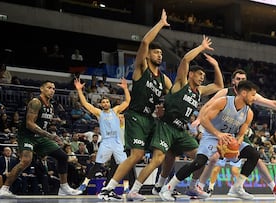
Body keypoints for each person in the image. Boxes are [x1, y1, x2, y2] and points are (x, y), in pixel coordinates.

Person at [126, 35, 223, 201]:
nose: (202, 77)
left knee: (201, 157)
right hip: (166, 126)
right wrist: (201, 47)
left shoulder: (199, 92)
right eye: (199, 74)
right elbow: (185, 59)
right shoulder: (181, 83)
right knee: (158, 159)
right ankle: (134, 190)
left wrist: (216, 65)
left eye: (203, 75)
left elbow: (219, 86)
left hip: (180, 130)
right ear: (191, 74)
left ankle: (192, 187)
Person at [189, 69, 276, 199]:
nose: (240, 81)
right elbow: (208, 105)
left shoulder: (251, 95)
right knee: (213, 158)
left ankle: (273, 188)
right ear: (233, 81)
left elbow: (272, 104)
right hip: (219, 131)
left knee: (255, 157)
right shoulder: (225, 93)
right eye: (238, 79)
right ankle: (199, 187)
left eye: (243, 79)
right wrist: (199, 119)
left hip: (237, 131)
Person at [97, 9, 173, 201]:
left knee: (163, 153)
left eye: (161, 53)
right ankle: (108, 188)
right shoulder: (141, 69)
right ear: (148, 56)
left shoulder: (163, 79)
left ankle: (154, 188)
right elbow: (145, 42)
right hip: (136, 116)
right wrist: (161, 24)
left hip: (151, 119)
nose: (159, 55)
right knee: (137, 154)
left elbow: (175, 95)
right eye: (156, 52)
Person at [159, 80, 260, 201]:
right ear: (244, 93)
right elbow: (205, 120)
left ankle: (237, 188)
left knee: (254, 154)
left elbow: (241, 134)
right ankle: (168, 187)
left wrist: (237, 145)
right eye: (253, 95)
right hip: (211, 136)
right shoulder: (224, 101)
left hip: (228, 139)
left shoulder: (249, 113)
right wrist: (218, 134)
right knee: (199, 162)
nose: (255, 98)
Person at [0, 80, 82, 198]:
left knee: (62, 156)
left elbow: (43, 123)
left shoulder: (50, 106)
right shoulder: (36, 102)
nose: (52, 90)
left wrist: (56, 130)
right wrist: (50, 135)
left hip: (41, 137)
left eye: (53, 88)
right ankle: (3, 190)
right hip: (27, 136)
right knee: (26, 160)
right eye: (49, 87)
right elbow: (29, 124)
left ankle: (64, 187)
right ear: (42, 89)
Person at [74, 77, 131, 192]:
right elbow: (85, 103)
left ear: (109, 103)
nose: (105, 103)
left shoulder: (115, 111)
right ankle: (84, 184)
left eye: (107, 101)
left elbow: (127, 101)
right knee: (98, 165)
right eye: (103, 102)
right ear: (101, 105)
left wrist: (125, 89)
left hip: (116, 141)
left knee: (124, 165)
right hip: (106, 141)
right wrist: (79, 90)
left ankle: (126, 188)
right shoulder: (99, 113)